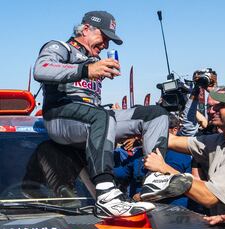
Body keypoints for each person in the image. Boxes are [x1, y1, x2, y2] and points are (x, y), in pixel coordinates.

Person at [33, 11, 169, 218]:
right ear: (86, 29)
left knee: (155, 114)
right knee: (101, 116)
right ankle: (106, 194)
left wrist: (94, 69)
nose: (106, 45)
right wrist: (87, 70)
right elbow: (41, 69)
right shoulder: (60, 47)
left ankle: (153, 179)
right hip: (59, 117)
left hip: (89, 119)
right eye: (104, 37)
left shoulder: (93, 58)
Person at [141, 85, 225, 227]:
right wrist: (141, 125)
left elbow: (209, 197)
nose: (214, 109)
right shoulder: (219, 140)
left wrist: (165, 168)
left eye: (223, 106)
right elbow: (174, 141)